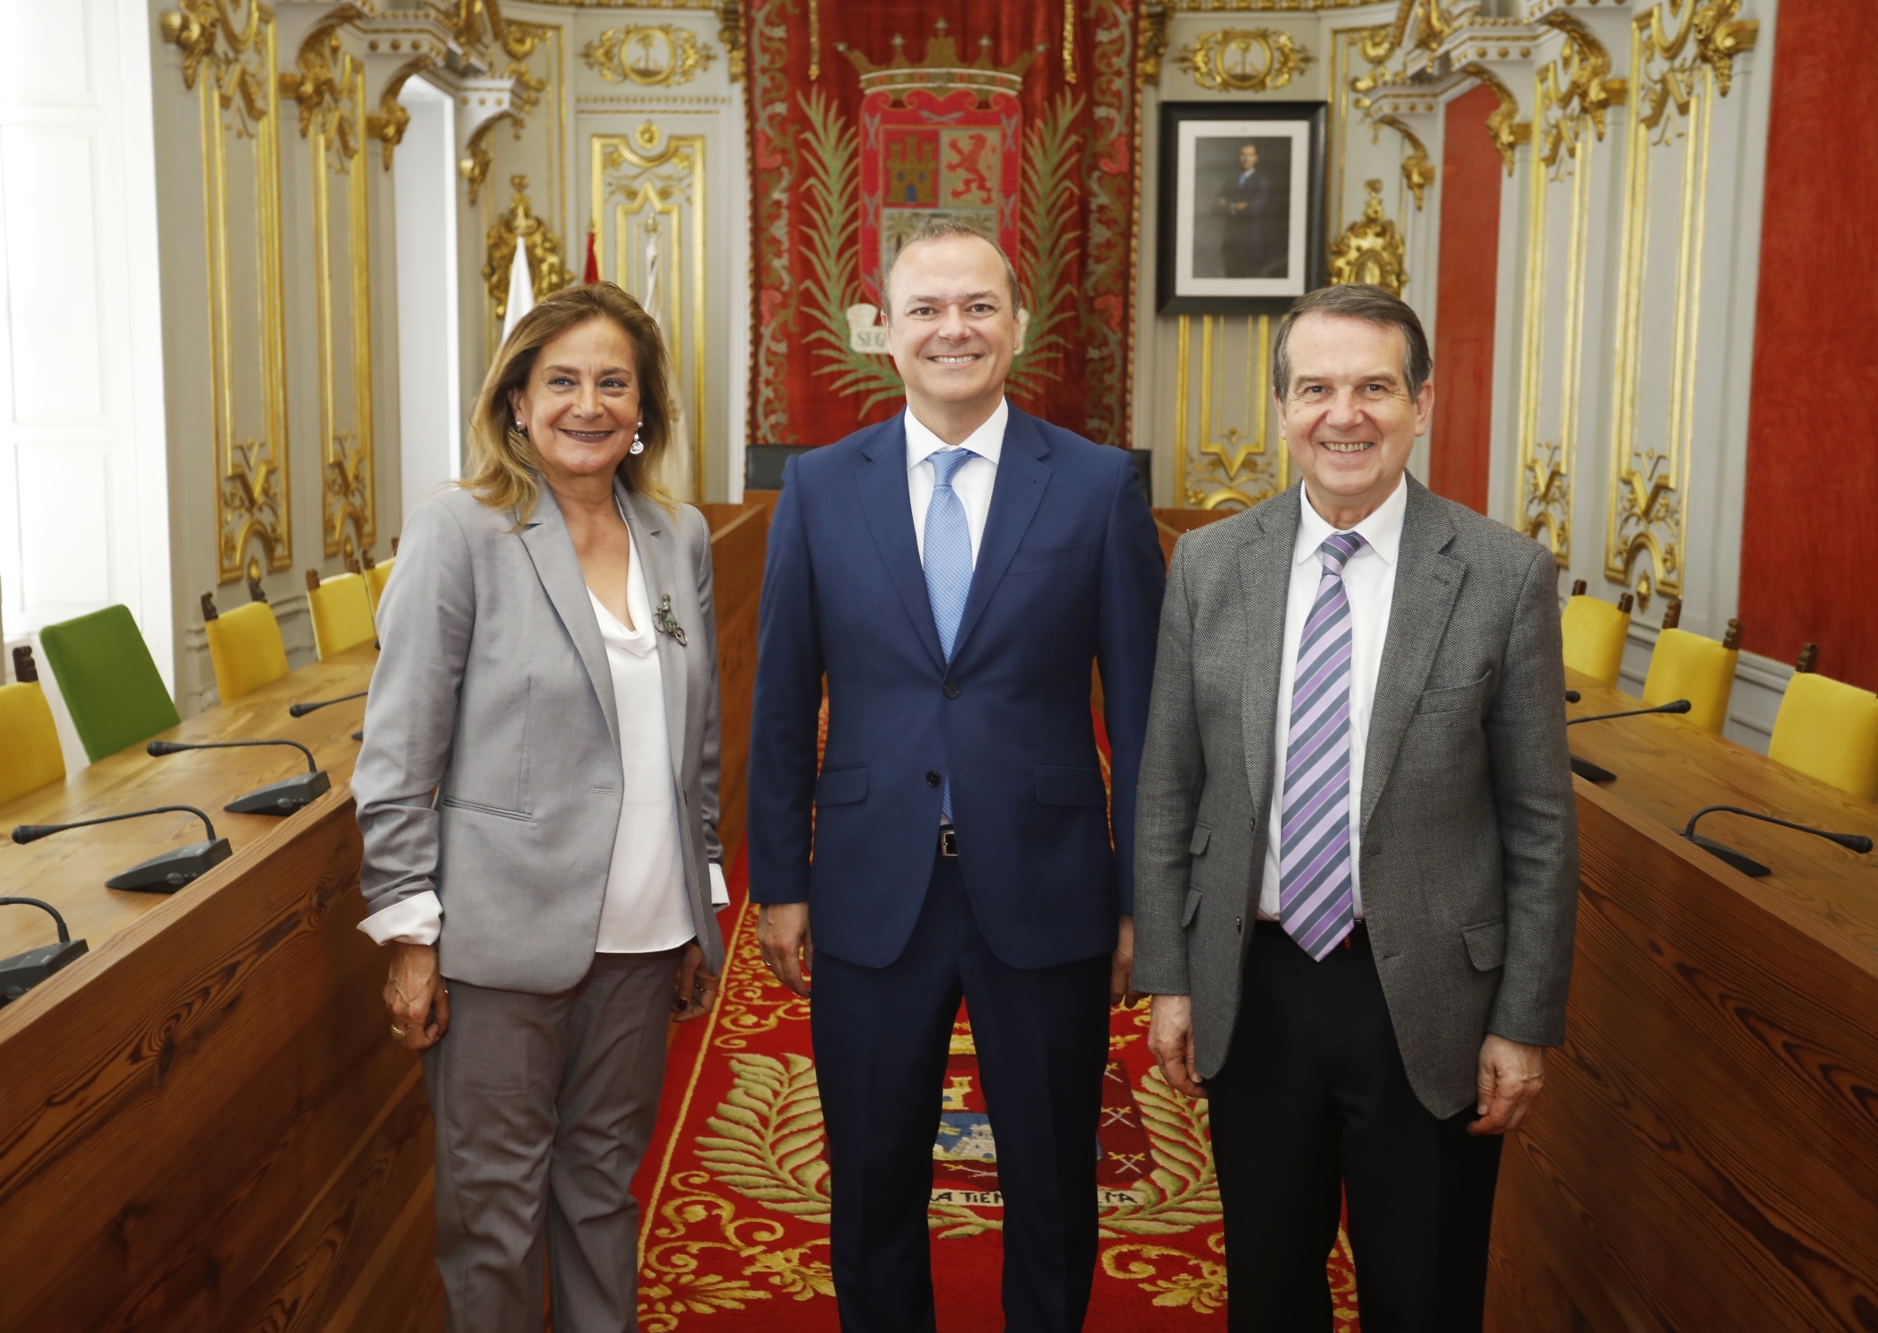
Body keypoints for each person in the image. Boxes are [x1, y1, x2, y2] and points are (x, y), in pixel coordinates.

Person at [1133, 283, 1578, 1333]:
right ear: (1282, 406)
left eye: (1373, 386)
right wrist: (1168, 974)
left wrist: (1522, 1018)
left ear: (1420, 403)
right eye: (1316, 388)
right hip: (1257, 984)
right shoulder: (1206, 564)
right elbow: (1165, 784)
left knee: (1421, 1294)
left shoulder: (1500, 573)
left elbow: (1539, 823)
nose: (1345, 414)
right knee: (1268, 1292)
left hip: (1425, 999)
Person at [748, 220, 1167, 1333]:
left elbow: (1142, 715)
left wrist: (1140, 897)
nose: (953, 329)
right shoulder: (821, 486)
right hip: (870, 889)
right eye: (926, 309)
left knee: (1050, 1180)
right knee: (871, 1180)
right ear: (882, 333)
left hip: (1049, 887)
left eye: (977, 306)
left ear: (1017, 326)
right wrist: (779, 879)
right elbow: (782, 698)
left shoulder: (1093, 486)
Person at [351, 281, 728, 1333]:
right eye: (560, 380)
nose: (588, 403)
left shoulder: (677, 536)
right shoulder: (461, 531)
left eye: (614, 381)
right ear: (515, 400)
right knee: (495, 1219)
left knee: (602, 1196)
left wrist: (699, 906)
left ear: (644, 406)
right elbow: (397, 751)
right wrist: (408, 930)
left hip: (646, 937)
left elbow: (694, 746)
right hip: (500, 941)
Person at [1217, 143, 1271, 278]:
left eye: (1250, 155)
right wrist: (1238, 206)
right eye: (1243, 155)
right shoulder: (1229, 181)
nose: (1246, 159)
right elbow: (1216, 208)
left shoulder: (1261, 181)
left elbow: (1254, 209)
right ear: (1239, 158)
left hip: (1250, 244)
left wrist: (1228, 205)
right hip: (1230, 244)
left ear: (1256, 158)